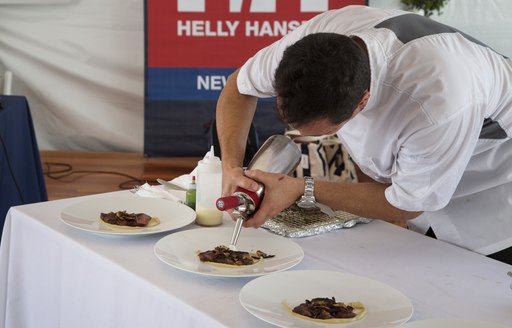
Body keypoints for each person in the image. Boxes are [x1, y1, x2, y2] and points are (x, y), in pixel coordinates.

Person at [215, 5, 512, 264]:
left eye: (326, 131)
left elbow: (408, 204)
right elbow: (238, 87)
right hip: (425, 168)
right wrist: (230, 167)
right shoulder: (317, 44)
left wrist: (300, 188)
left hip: (492, 184)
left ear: (362, 102)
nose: (299, 134)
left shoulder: (437, 102)